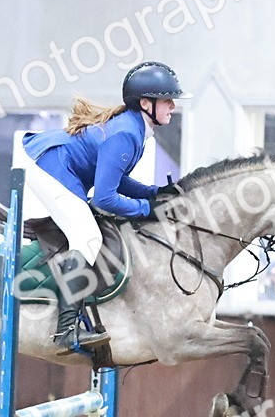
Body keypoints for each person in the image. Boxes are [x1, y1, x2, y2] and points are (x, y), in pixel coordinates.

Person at [20, 61, 190, 352]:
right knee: (87, 237)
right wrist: (149, 210)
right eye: (167, 100)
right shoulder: (126, 133)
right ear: (146, 103)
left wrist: (155, 192)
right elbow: (104, 198)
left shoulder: (135, 128)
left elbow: (116, 179)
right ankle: (66, 331)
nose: (173, 105)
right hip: (49, 169)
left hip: (57, 166)